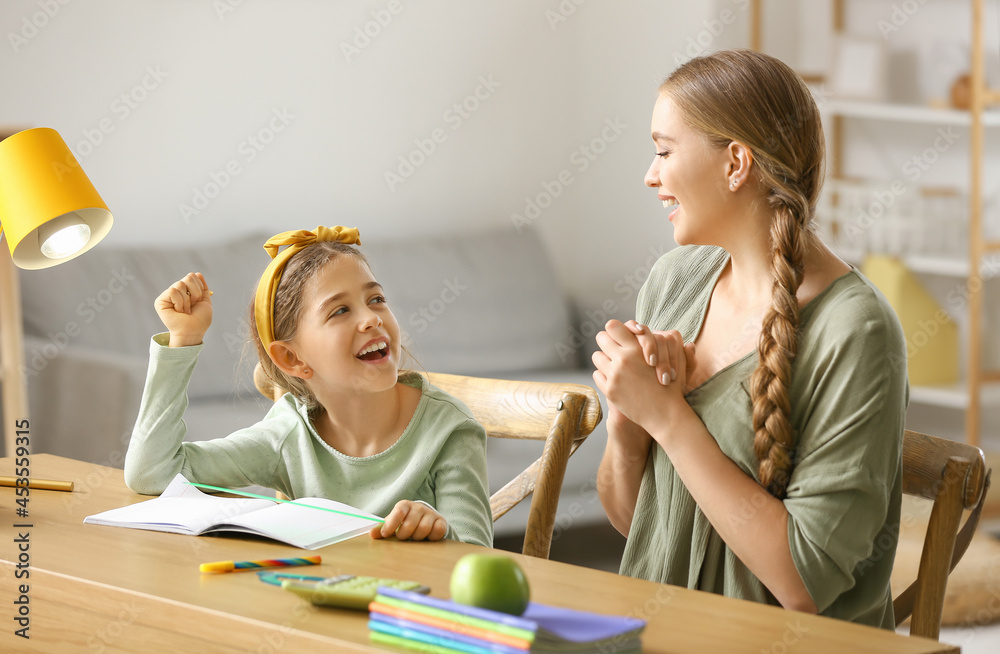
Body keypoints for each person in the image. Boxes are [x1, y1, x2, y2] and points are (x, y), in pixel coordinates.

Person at [592, 50, 907, 628]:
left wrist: (667, 418)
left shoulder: (856, 331)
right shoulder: (676, 282)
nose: (650, 174)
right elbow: (636, 523)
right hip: (671, 631)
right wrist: (625, 417)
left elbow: (802, 580)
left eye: (664, 151)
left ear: (736, 162)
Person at [124, 225, 493, 547]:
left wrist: (437, 529)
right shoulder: (289, 434)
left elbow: (477, 558)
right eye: (340, 311)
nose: (371, 319)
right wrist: (183, 340)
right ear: (292, 360)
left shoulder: (448, 430)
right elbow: (152, 472)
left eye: (376, 299)